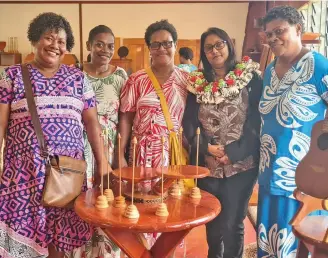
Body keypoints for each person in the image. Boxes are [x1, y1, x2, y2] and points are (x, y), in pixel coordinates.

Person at [0, 12, 111, 258]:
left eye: (61, 42)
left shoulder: (79, 79)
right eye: (49, 38)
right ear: (36, 39)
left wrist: (103, 163)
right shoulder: (12, 76)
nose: (55, 46)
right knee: (24, 241)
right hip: (23, 175)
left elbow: (92, 124)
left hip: (67, 175)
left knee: (60, 241)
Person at [257, 6, 328, 257]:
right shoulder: (269, 70)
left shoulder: (320, 67)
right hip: (269, 171)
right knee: (269, 242)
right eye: (268, 34)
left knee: (297, 241)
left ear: (298, 29)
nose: (273, 38)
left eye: (279, 31)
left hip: (304, 175)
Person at [183, 27, 263, 258]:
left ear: (229, 45)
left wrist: (233, 153)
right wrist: (205, 146)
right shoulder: (197, 83)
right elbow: (189, 122)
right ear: (203, 53)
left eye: (219, 44)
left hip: (242, 164)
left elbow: (256, 120)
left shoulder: (249, 78)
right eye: (208, 47)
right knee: (213, 222)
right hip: (207, 165)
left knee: (233, 223)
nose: (215, 50)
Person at [119, 19, 189, 247]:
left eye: (167, 43)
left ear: (175, 45)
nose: (161, 49)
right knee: (141, 210)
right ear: (149, 47)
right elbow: (126, 118)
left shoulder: (187, 80)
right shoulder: (136, 80)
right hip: (142, 156)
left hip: (174, 156)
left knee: (172, 212)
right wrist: (120, 154)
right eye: (155, 44)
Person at [67, 25, 127, 258]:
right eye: (99, 44)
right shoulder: (74, 74)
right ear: (88, 46)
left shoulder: (120, 76)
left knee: (108, 198)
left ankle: (106, 252)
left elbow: (124, 117)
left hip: (110, 146)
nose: (105, 50)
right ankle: (80, 251)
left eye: (110, 46)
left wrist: (120, 153)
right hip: (79, 146)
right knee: (80, 199)